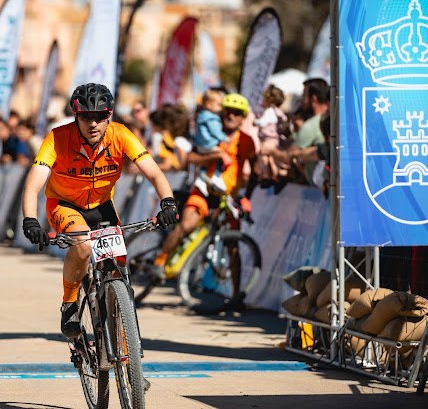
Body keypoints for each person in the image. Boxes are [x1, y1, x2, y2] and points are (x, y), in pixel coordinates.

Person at [21, 83, 178, 338]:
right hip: (64, 204)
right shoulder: (58, 138)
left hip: (102, 206)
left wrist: (168, 202)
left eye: (100, 116)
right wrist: (30, 220)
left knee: (118, 268)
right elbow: (33, 184)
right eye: (86, 116)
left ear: (109, 115)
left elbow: (154, 173)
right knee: (83, 245)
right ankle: (70, 303)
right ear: (76, 115)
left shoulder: (121, 134)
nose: (93, 123)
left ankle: (123, 338)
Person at [152, 93, 256, 310]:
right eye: (227, 111)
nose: (231, 116)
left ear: (243, 117)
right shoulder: (209, 131)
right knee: (186, 225)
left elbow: (254, 170)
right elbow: (189, 158)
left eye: (237, 113)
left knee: (232, 246)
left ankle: (236, 296)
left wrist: (247, 195)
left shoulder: (247, 141)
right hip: (204, 190)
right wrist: (213, 156)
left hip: (229, 197)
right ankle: (160, 261)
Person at [255, 85, 288, 184]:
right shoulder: (279, 112)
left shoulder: (270, 111)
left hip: (268, 139)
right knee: (272, 159)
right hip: (274, 139)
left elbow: (263, 122)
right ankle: (274, 174)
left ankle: (266, 174)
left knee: (264, 156)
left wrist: (255, 122)